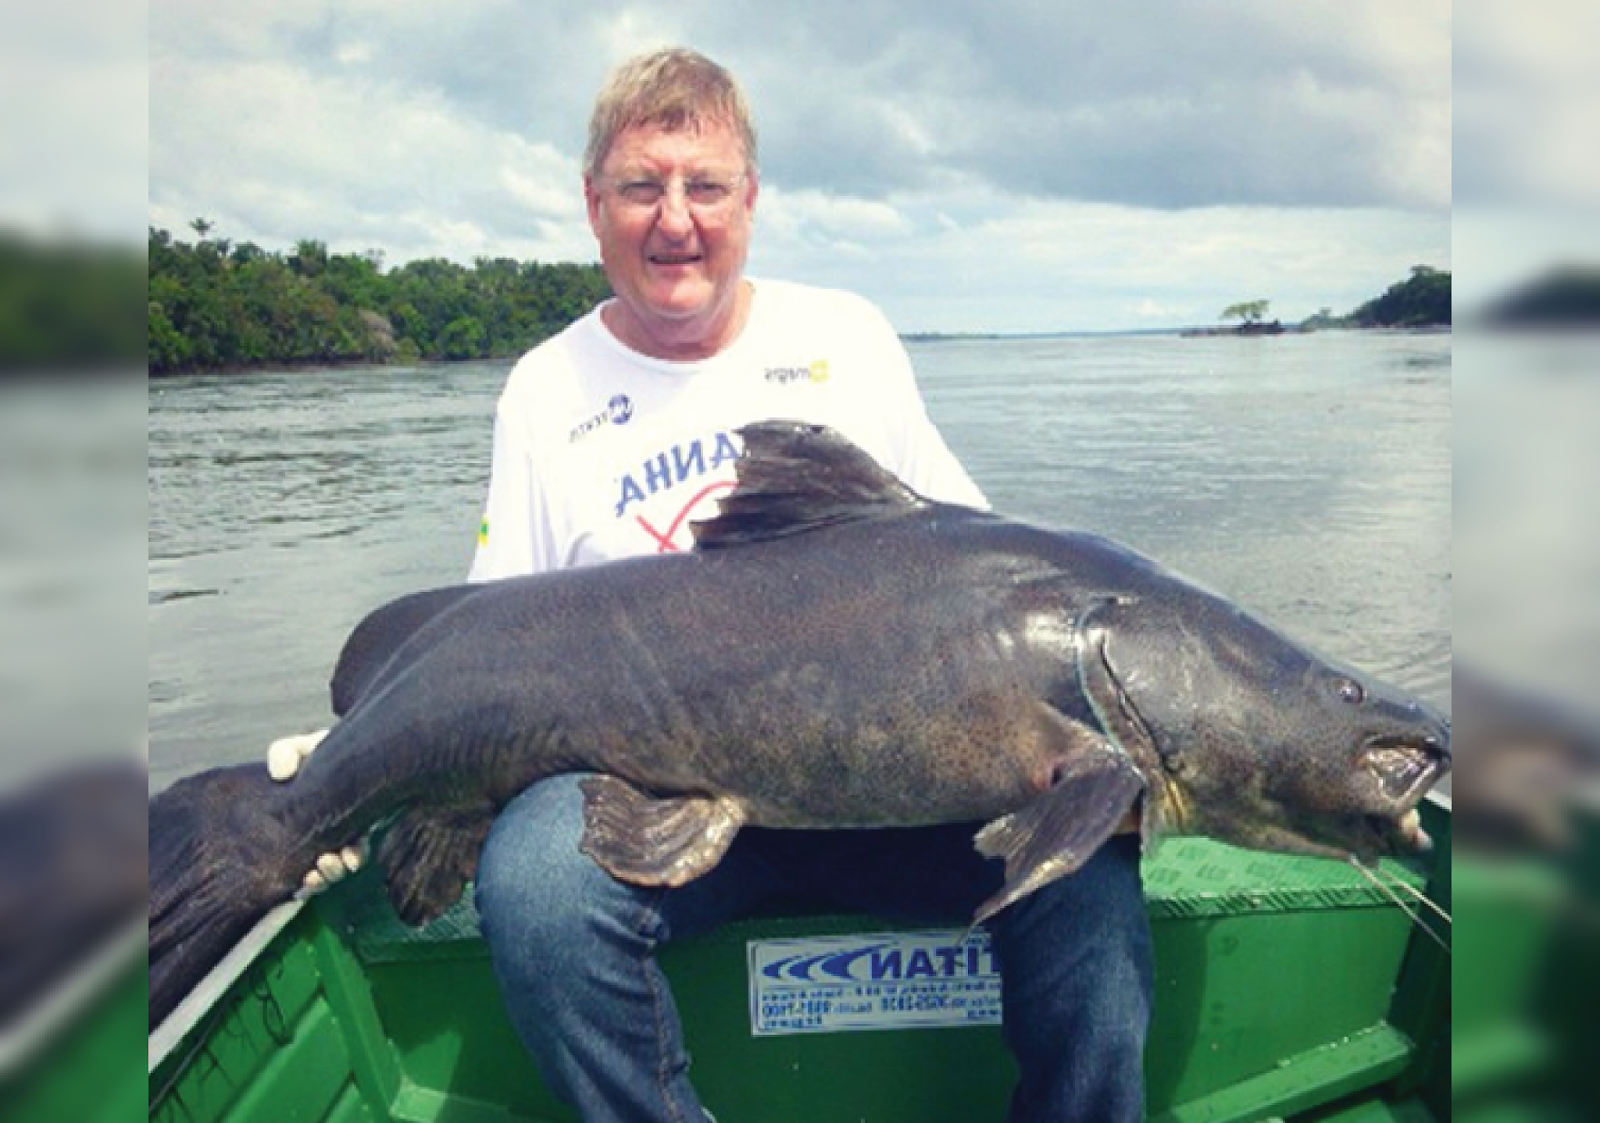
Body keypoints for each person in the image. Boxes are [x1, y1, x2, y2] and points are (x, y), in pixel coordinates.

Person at [286, 47, 1153, 1123]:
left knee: (1089, 883)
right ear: (593, 205)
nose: (675, 222)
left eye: (704, 188)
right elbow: (487, 640)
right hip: (659, 802)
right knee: (540, 891)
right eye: (643, 187)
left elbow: (983, 569)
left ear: (750, 200)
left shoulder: (845, 339)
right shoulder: (546, 388)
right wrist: (367, 745)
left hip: (897, 793)